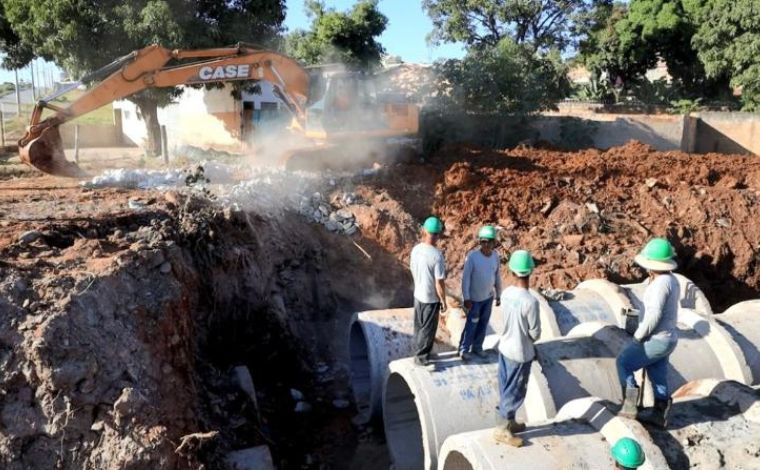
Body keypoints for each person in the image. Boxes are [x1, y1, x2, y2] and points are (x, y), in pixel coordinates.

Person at [616, 238, 679, 428]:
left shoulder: (660, 284)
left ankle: (630, 405)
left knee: (624, 362)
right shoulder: (671, 280)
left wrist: (638, 337)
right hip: (668, 339)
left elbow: (654, 315)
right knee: (657, 374)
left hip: (657, 339)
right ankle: (660, 414)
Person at [493, 250, 540, 447]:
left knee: (505, 387)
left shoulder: (506, 294)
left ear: (512, 272)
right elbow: (536, 333)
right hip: (520, 354)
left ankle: (509, 421)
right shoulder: (530, 301)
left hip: (504, 348)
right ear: (530, 273)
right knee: (516, 391)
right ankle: (501, 429)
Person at [459, 225, 502, 361]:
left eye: (489, 241)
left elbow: (497, 276)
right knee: (471, 324)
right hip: (474, 300)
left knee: (483, 324)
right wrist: (466, 298)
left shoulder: (495, 256)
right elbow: (465, 279)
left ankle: (477, 347)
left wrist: (498, 294)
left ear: (494, 242)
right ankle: (464, 349)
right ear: (480, 242)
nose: (486, 244)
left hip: (488, 298)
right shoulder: (472, 257)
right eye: (483, 241)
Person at [410, 216, 448, 369]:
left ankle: (419, 352)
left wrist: (418, 283)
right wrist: (443, 300)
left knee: (419, 326)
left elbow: (412, 269)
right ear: (438, 234)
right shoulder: (436, 256)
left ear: (424, 231)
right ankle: (421, 358)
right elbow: (439, 282)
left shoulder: (416, 249)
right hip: (430, 298)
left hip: (418, 294)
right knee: (428, 329)